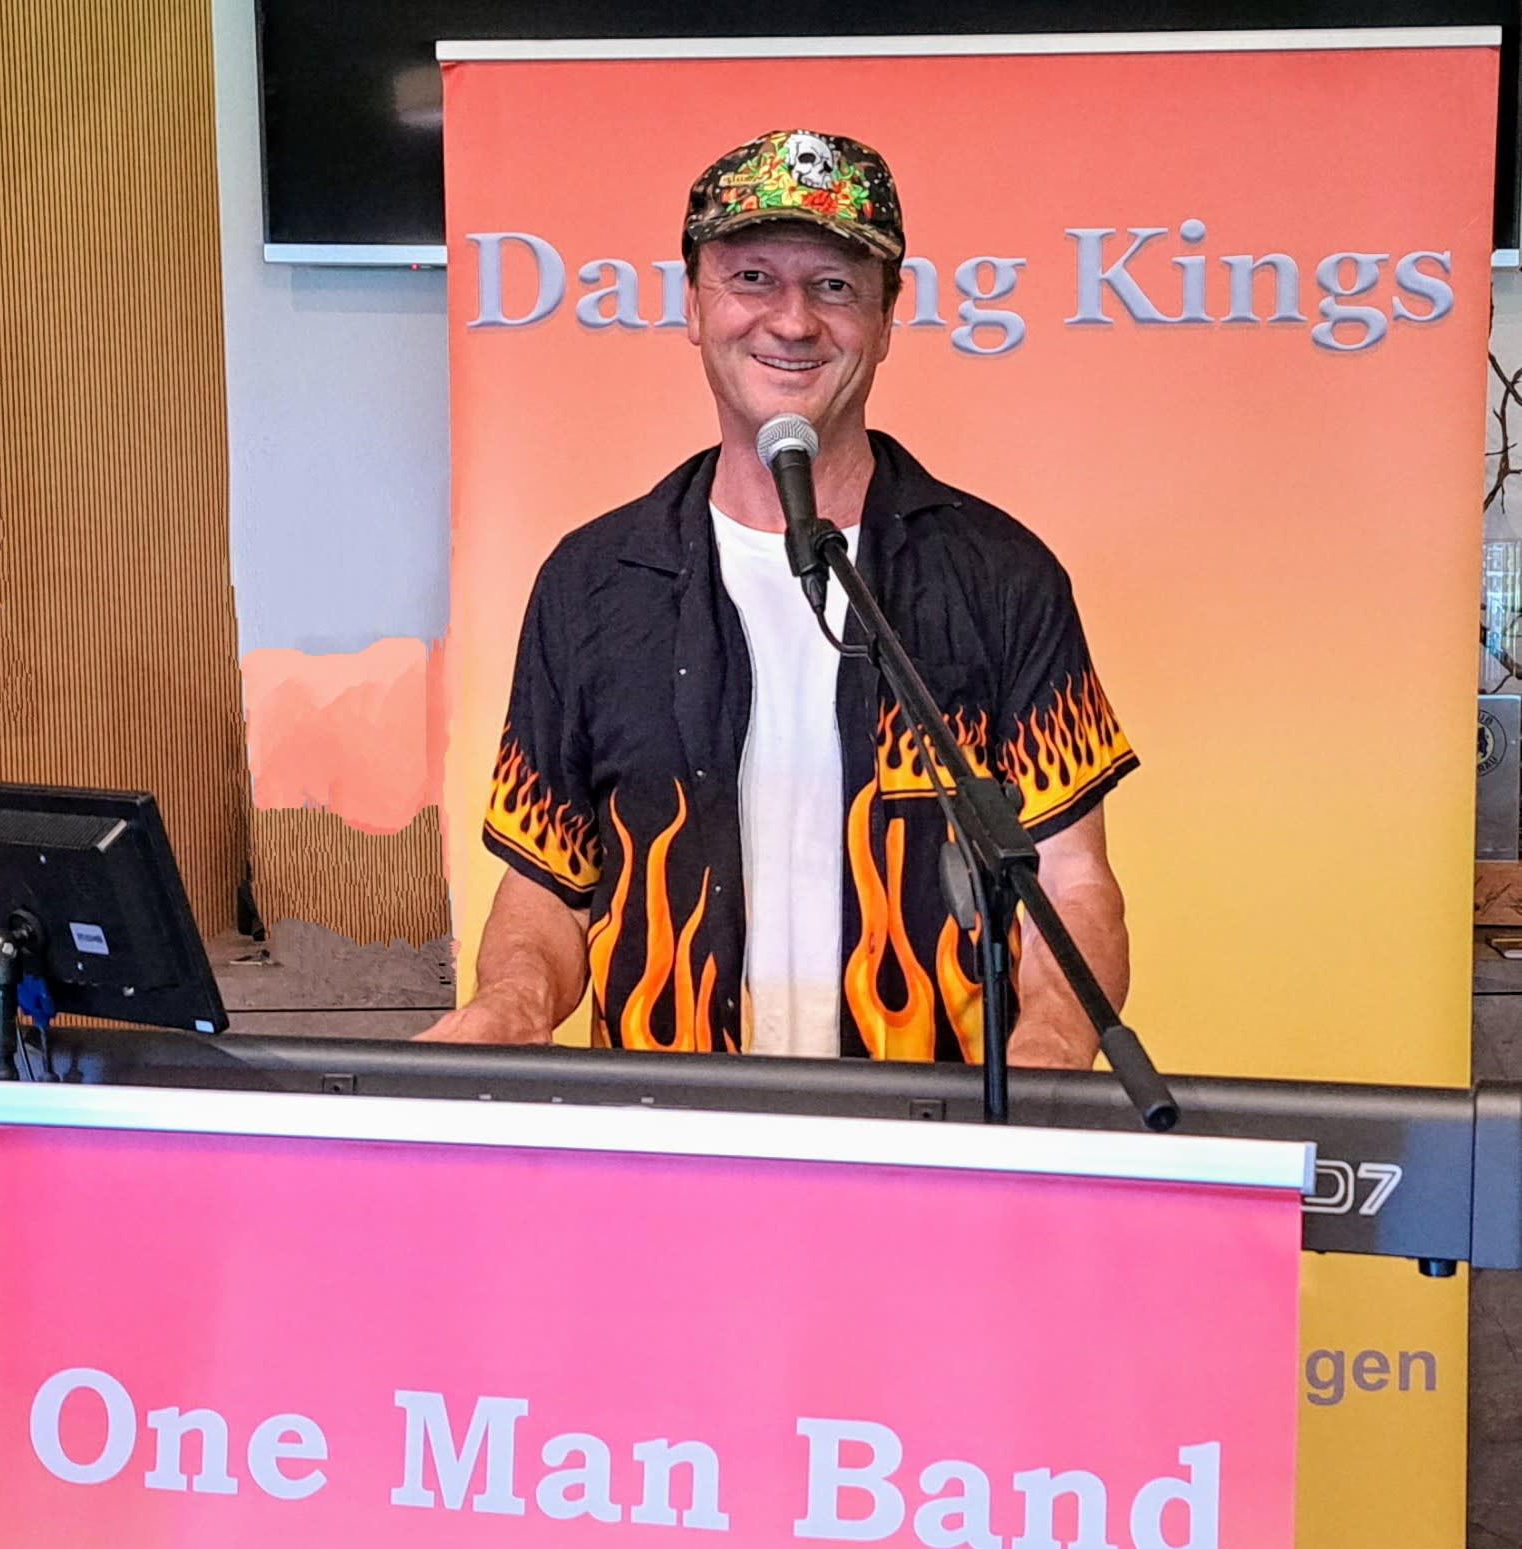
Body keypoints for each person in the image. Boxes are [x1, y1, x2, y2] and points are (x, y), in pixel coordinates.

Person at [421, 128, 1136, 1067]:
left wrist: (1050, 1052)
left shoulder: (1000, 576)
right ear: (692, 304)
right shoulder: (591, 583)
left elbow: (1069, 880)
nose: (792, 322)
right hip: (671, 1126)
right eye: (752, 278)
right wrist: (510, 1004)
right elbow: (549, 884)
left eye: (833, 286)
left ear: (887, 316)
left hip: (941, 1128)